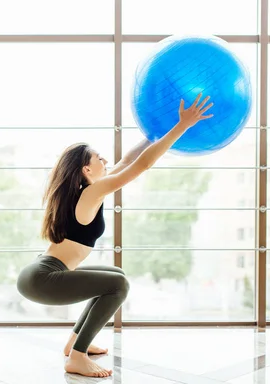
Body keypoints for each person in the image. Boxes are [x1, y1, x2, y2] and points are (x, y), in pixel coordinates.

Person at [16, 94, 214, 377]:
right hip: (44, 279)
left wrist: (154, 134)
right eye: (99, 158)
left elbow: (126, 161)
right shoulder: (91, 192)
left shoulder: (85, 192)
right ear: (86, 169)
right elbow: (140, 167)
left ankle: (75, 342)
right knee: (118, 286)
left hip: (39, 274)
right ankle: (78, 357)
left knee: (115, 274)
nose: (105, 160)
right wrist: (182, 126)